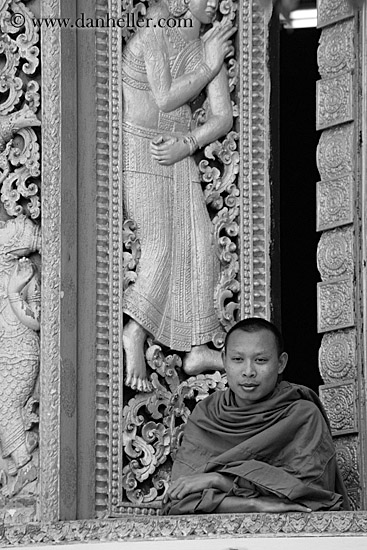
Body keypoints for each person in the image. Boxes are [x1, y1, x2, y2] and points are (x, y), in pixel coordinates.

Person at [122, 0, 236, 392]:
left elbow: (223, 117)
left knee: (200, 248)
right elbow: (165, 96)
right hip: (142, 150)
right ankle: (134, 332)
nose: (214, 4)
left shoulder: (205, 43)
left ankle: (198, 346)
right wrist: (206, 64)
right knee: (160, 245)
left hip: (178, 150)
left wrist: (188, 143)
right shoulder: (156, 30)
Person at [163, 317, 350, 514]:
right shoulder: (207, 414)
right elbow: (178, 499)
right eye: (237, 359)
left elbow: (310, 495)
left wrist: (218, 479)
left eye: (260, 360)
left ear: (280, 363)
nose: (248, 372)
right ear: (224, 360)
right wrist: (255, 504)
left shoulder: (303, 416)